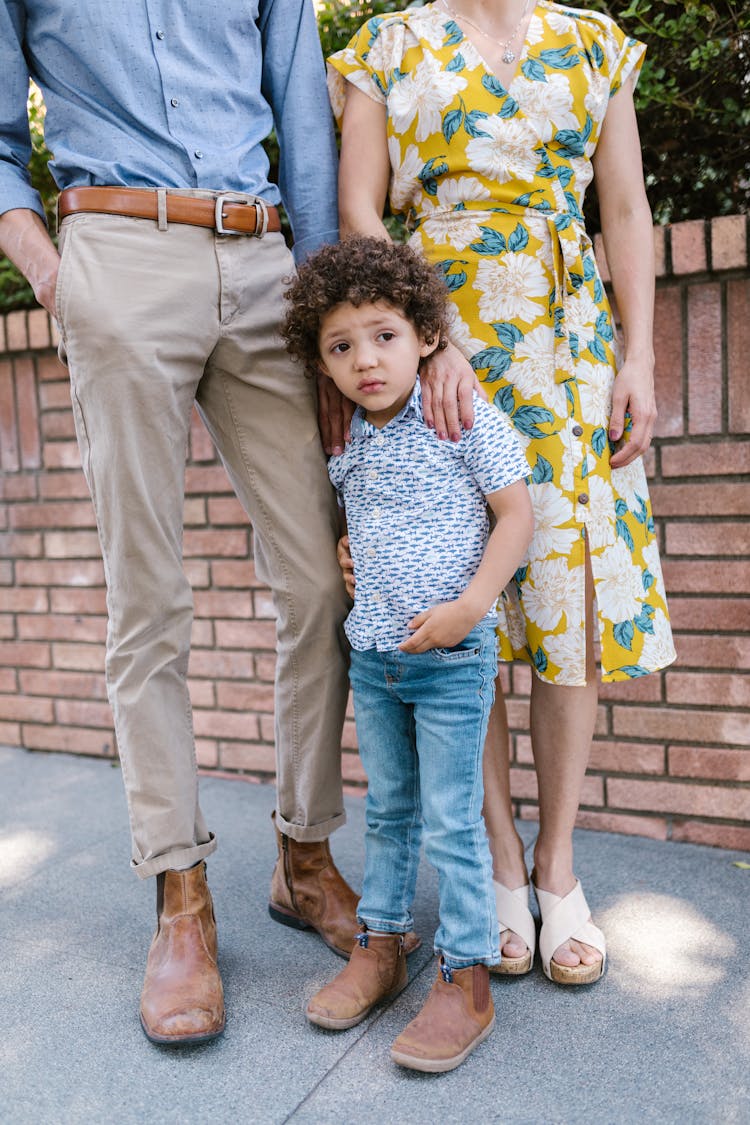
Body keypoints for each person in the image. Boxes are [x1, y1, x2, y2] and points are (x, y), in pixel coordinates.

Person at [0, 0, 363, 1045]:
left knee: (321, 581)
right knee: (148, 597)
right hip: (113, 256)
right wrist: (54, 274)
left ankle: (303, 855)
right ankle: (181, 896)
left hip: (262, 266)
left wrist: (319, 289)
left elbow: (303, 114)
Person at [326, 0, 677, 984]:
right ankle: (501, 859)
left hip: (568, 350)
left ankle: (559, 865)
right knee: (458, 602)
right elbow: (362, 216)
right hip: (438, 356)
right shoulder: (385, 48)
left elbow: (622, 210)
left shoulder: (593, 41)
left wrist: (639, 355)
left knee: (569, 604)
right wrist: (438, 339)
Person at [282, 235, 533, 1071]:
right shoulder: (346, 436)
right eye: (341, 346)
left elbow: (518, 516)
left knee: (455, 824)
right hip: (375, 661)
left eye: (384, 335)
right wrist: (354, 553)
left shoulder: (460, 413)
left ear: (426, 333)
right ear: (323, 363)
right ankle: (382, 946)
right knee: (390, 810)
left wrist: (471, 606)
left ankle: (466, 976)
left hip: (452, 661)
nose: (366, 360)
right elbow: (373, 521)